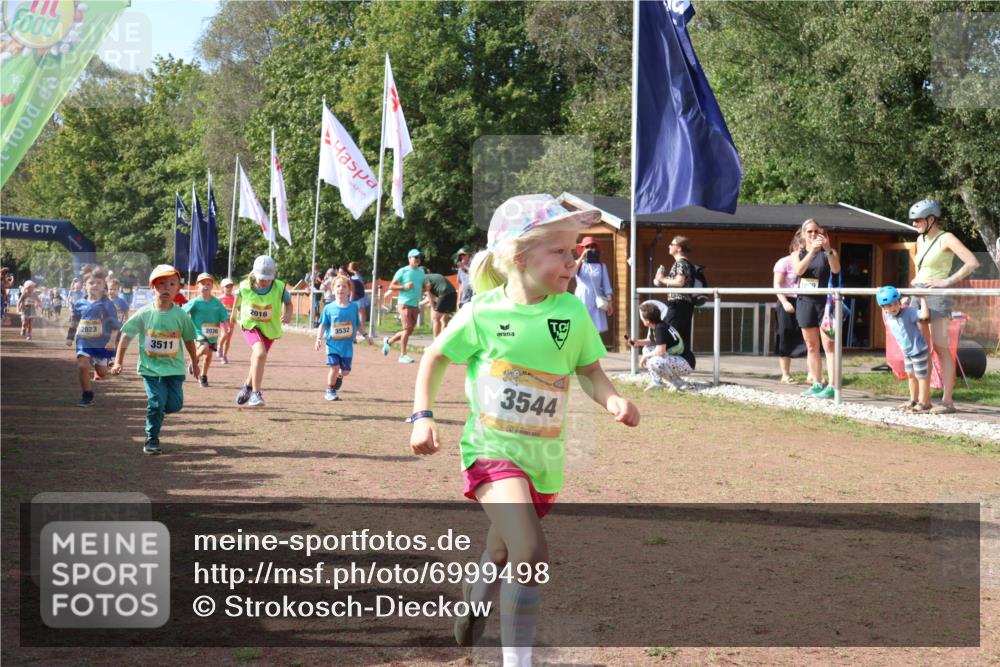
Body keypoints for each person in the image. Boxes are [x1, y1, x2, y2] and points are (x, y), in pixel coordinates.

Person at [408, 194, 639, 664]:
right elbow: (434, 356)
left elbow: (590, 371)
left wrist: (613, 397)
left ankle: (477, 598)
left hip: (544, 461)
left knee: (501, 552)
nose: (573, 261)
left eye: (574, 251)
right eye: (560, 251)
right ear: (518, 256)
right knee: (530, 552)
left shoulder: (571, 312)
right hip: (491, 452)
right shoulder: (482, 313)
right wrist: (423, 415)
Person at [110, 265, 199, 455]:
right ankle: (152, 438)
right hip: (150, 369)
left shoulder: (181, 316)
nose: (167, 287)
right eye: (162, 283)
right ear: (152, 287)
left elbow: (190, 340)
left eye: (172, 284)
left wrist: (195, 363)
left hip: (174, 370)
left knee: (175, 404)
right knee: (156, 402)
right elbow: (126, 336)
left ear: (178, 289)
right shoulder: (144, 313)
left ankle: (157, 413)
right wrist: (118, 361)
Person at [908, 199, 980, 414]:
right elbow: (921, 268)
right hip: (918, 293)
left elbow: (972, 262)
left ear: (931, 219)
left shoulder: (946, 237)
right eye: (913, 221)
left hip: (937, 296)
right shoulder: (920, 239)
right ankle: (923, 399)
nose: (914, 224)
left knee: (940, 348)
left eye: (918, 220)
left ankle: (947, 401)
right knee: (921, 348)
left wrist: (947, 281)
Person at [230, 255, 292, 407]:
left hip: (269, 328)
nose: (264, 281)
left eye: (267, 278)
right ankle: (256, 394)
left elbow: (289, 303)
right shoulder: (245, 286)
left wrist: (288, 314)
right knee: (260, 353)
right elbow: (237, 300)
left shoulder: (279, 287)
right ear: (254, 274)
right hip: (250, 325)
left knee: (258, 358)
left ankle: (247, 386)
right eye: (261, 278)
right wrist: (233, 315)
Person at [793, 219, 842, 400]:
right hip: (806, 302)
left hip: (826, 304)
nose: (813, 235)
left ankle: (832, 385)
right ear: (803, 234)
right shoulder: (798, 253)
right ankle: (816, 382)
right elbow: (798, 270)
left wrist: (827, 249)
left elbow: (836, 269)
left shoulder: (828, 252)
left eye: (816, 231)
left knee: (829, 345)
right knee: (812, 346)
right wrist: (811, 252)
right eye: (810, 232)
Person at [315, 275, 371, 401]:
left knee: (345, 371)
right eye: (338, 286)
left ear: (349, 290)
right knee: (334, 367)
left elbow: (357, 324)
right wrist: (318, 338)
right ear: (333, 289)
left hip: (347, 347)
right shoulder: (329, 308)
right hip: (333, 346)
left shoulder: (353, 307)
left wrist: (366, 335)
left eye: (344, 286)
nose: (341, 289)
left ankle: (340, 376)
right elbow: (323, 325)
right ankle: (330, 390)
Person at [877, 286, 932, 413]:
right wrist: (880, 290)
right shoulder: (888, 315)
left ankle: (924, 402)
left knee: (921, 376)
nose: (893, 308)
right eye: (889, 306)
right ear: (883, 308)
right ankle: (913, 400)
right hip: (907, 352)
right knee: (910, 375)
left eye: (895, 304)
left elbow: (924, 315)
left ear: (899, 302)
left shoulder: (909, 312)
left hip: (918, 349)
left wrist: (923, 298)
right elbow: (883, 304)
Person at [72, 270, 121, 405]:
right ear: (84, 286)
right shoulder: (79, 303)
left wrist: (112, 341)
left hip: (102, 343)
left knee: (103, 372)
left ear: (104, 286)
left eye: (98, 283)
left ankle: (97, 361)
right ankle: (87, 395)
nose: (94, 285)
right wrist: (70, 337)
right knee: (82, 366)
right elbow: (74, 321)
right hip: (84, 341)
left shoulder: (107, 304)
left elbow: (115, 325)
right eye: (91, 282)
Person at [653, 236, 697, 369]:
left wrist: (662, 278)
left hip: (678, 304)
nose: (668, 246)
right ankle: (679, 368)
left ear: (678, 248)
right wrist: (661, 280)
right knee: (680, 337)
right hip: (683, 305)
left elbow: (679, 282)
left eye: (671, 244)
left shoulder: (681, 263)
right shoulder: (684, 263)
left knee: (669, 335)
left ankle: (663, 368)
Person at [628, 302, 691, 391]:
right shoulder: (656, 326)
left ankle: (678, 383)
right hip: (678, 360)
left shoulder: (660, 328)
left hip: (686, 363)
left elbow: (660, 351)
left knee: (654, 361)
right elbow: (651, 341)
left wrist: (645, 357)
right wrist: (637, 342)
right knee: (647, 349)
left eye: (641, 316)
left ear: (647, 320)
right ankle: (657, 382)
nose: (640, 318)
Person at [773, 232, 808, 384]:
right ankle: (785, 374)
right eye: (802, 249)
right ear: (794, 247)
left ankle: (812, 374)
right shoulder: (784, 262)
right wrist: (785, 302)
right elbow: (777, 285)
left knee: (808, 338)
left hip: (805, 301)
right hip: (787, 300)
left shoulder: (810, 263)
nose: (803, 252)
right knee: (785, 336)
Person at [183, 273, 229, 387]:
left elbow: (223, 314)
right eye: (203, 284)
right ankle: (193, 362)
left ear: (212, 286)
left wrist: (227, 325)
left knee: (208, 356)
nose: (206, 286)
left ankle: (203, 376)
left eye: (208, 284)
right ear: (198, 286)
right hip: (198, 332)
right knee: (204, 347)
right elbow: (182, 312)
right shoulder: (195, 302)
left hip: (213, 333)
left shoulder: (216, 302)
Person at [383, 249, 427, 363]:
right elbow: (391, 286)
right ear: (409, 258)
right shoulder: (402, 271)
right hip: (404, 303)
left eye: (419, 257)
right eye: (415, 257)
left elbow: (421, 287)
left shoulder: (421, 273)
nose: (418, 259)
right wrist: (404, 287)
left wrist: (426, 287)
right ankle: (402, 355)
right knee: (407, 330)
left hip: (415, 304)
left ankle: (389, 342)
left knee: (409, 331)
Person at [573, 236, 613, 334]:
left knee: (595, 329)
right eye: (587, 246)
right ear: (583, 248)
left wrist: (610, 302)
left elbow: (607, 285)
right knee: (581, 327)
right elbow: (571, 273)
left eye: (593, 246)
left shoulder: (601, 266)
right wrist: (583, 255)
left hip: (597, 300)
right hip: (582, 298)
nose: (590, 249)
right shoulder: (580, 264)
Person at [421, 272, 458, 337]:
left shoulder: (424, 278)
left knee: (435, 318)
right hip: (453, 293)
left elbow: (429, 292)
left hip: (444, 293)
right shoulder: (434, 279)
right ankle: (443, 340)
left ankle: (435, 341)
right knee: (444, 319)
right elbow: (432, 298)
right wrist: (419, 303)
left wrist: (433, 308)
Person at [218, 278, 237, 364]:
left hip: (231, 321)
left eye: (230, 286)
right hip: (223, 321)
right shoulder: (219, 299)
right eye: (227, 286)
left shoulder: (235, 298)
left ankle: (224, 356)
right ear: (222, 288)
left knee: (228, 340)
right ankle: (219, 346)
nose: (229, 288)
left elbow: (238, 308)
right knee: (224, 334)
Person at [347, 261, 368, 329]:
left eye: (349, 266)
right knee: (361, 311)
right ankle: (361, 327)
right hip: (360, 293)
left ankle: (361, 327)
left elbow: (358, 284)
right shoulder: (356, 274)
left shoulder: (355, 274)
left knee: (361, 311)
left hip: (359, 294)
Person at [306, 263, 324, 328]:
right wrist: (308, 278)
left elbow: (320, 282)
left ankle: (317, 322)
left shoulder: (320, 274)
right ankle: (312, 321)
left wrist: (316, 278)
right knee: (312, 306)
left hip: (317, 291)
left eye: (315, 267)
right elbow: (307, 281)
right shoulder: (311, 273)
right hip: (311, 291)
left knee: (316, 307)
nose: (314, 268)